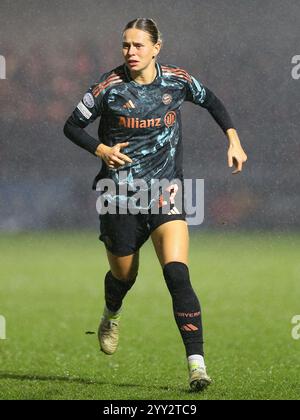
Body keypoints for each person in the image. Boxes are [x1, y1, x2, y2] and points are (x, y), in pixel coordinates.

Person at [63, 17, 247, 392]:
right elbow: (71, 125)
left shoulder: (177, 81)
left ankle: (197, 365)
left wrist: (233, 138)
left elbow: (212, 101)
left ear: (156, 48)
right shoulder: (108, 88)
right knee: (123, 277)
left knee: (177, 274)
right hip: (119, 197)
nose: (130, 52)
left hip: (166, 191)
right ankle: (111, 314)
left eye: (138, 45)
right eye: (126, 45)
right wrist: (100, 149)